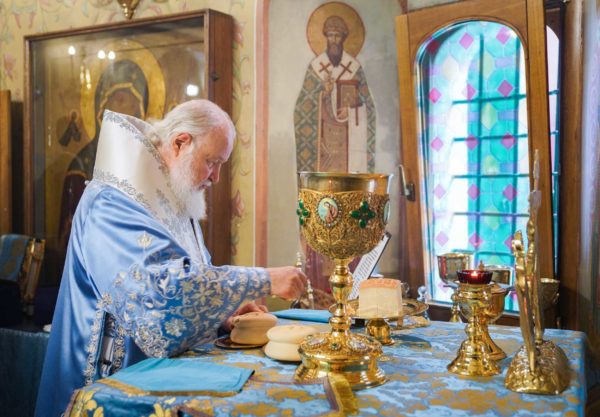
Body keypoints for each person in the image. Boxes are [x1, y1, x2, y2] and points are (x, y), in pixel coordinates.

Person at [35, 100, 307, 417]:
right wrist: (264, 279)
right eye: (212, 162)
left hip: (160, 381)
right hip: (109, 386)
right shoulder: (111, 203)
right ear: (180, 142)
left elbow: (195, 278)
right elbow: (160, 298)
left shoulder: (174, 198)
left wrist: (223, 312)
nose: (216, 177)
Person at [294, 14, 376, 174]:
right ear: (325, 36)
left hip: (347, 137)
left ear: (344, 38)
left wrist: (351, 112)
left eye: (337, 35)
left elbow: (369, 106)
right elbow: (302, 107)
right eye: (330, 35)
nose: (334, 40)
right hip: (324, 138)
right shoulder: (315, 67)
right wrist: (324, 93)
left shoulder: (354, 68)